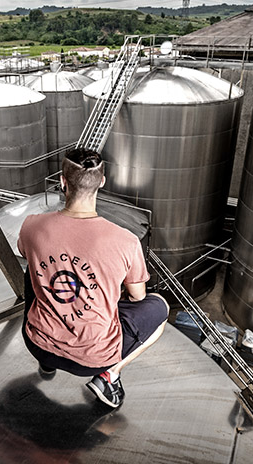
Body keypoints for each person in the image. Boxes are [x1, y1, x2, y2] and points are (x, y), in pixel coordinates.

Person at [17, 147, 169, 408]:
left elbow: (27, 256)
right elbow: (138, 296)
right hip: (91, 360)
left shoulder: (31, 225)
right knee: (160, 307)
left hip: (36, 341)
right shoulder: (126, 241)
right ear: (102, 182)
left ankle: (47, 361)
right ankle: (109, 375)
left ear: (62, 182)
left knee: (33, 268)